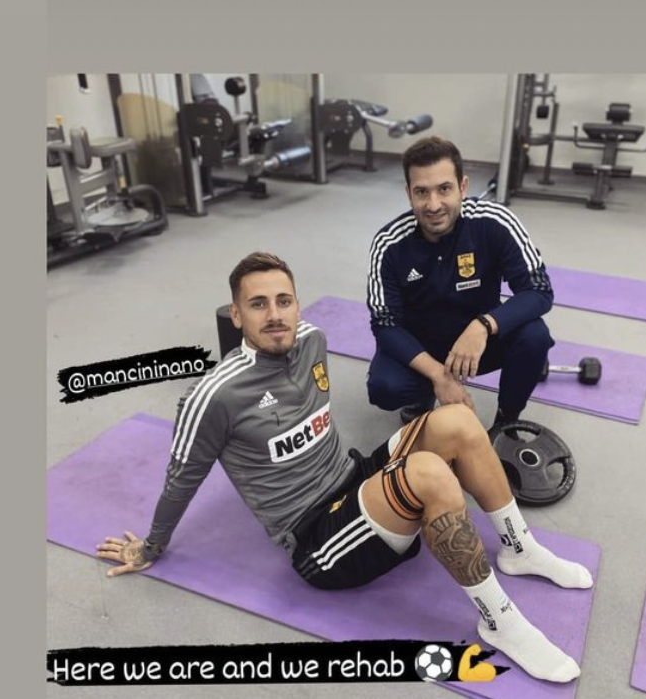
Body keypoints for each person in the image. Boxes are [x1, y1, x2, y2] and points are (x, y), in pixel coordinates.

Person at [97, 252, 591, 684]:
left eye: (284, 301)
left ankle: (519, 548)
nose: (275, 315)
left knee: (459, 421)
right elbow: (181, 479)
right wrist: (151, 546)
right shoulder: (214, 396)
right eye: (258, 304)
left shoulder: (313, 340)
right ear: (237, 314)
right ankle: (499, 620)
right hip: (317, 538)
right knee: (429, 473)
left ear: (298, 304)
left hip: (354, 482)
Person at [366, 136, 554, 431]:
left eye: (444, 189)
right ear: (408, 194)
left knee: (534, 337)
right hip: (423, 344)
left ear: (463, 187)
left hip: (479, 342)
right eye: (421, 192)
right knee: (384, 388)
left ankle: (507, 420)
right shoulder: (389, 243)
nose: (433, 205)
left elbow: (539, 290)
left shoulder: (495, 221)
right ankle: (424, 393)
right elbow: (385, 323)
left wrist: (483, 325)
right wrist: (438, 375)